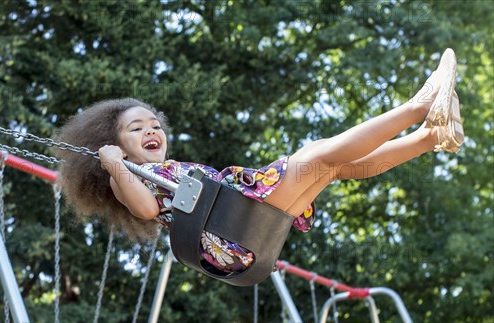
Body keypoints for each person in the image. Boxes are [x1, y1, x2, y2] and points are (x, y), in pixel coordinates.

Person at [55, 48, 463, 275]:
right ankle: (421, 105)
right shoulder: (123, 176)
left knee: (334, 166)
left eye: (154, 125)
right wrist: (114, 167)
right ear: (116, 146)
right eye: (135, 129)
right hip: (235, 226)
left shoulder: (160, 169)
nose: (151, 131)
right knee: (316, 153)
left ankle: (431, 137)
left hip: (247, 226)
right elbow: (145, 208)